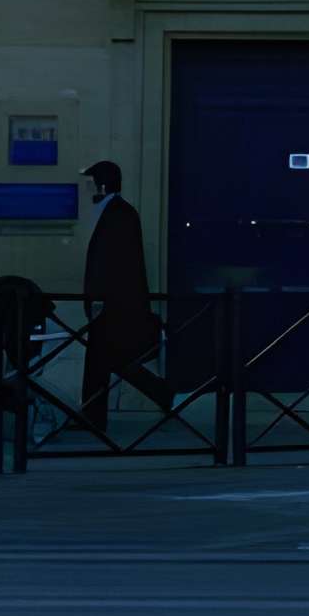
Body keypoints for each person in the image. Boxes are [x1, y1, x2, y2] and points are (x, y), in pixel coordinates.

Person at [78, 159, 171, 434]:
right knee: (104, 359)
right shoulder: (114, 212)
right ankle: (94, 414)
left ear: (102, 184)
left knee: (103, 358)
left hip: (112, 304)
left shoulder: (119, 214)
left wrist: (99, 299)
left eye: (91, 181)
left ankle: (94, 415)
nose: (87, 187)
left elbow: (114, 263)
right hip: (111, 302)